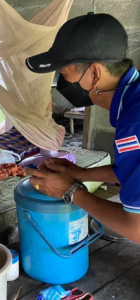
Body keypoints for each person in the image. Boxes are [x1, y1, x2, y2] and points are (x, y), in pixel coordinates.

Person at [25, 13, 140, 243]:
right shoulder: (132, 102)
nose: (64, 82)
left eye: (65, 73)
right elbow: (132, 170)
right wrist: (80, 174)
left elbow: (136, 229)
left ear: (95, 73)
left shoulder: (133, 123)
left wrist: (70, 192)